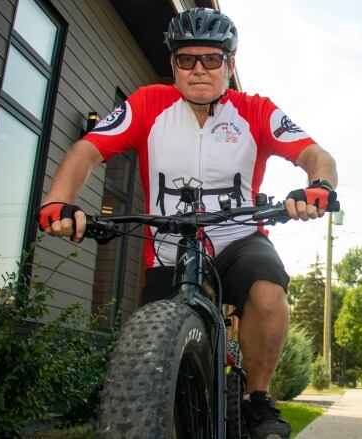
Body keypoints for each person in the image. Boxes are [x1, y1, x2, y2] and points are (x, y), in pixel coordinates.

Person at [37, 8, 337, 439]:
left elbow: (316, 155)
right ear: (172, 65)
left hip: (238, 239)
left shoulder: (256, 111)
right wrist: (58, 201)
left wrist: (318, 185)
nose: (199, 70)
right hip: (169, 245)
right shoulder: (146, 104)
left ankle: (256, 398)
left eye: (211, 59)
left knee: (268, 290)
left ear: (230, 65)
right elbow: (87, 150)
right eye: (186, 59)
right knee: (149, 357)